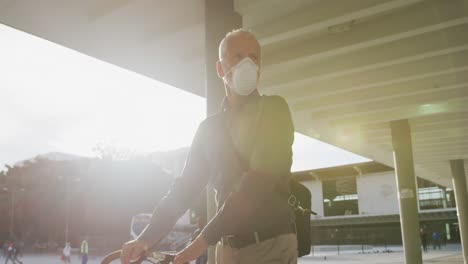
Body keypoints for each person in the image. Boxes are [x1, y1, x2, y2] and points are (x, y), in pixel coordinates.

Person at [121, 29, 297, 264]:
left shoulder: (275, 110)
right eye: (238, 56)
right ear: (220, 69)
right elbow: (184, 189)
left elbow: (257, 184)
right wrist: (145, 238)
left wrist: (197, 246)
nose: (247, 63)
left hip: (269, 246)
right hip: (225, 250)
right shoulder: (208, 129)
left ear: (260, 69)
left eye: (254, 58)